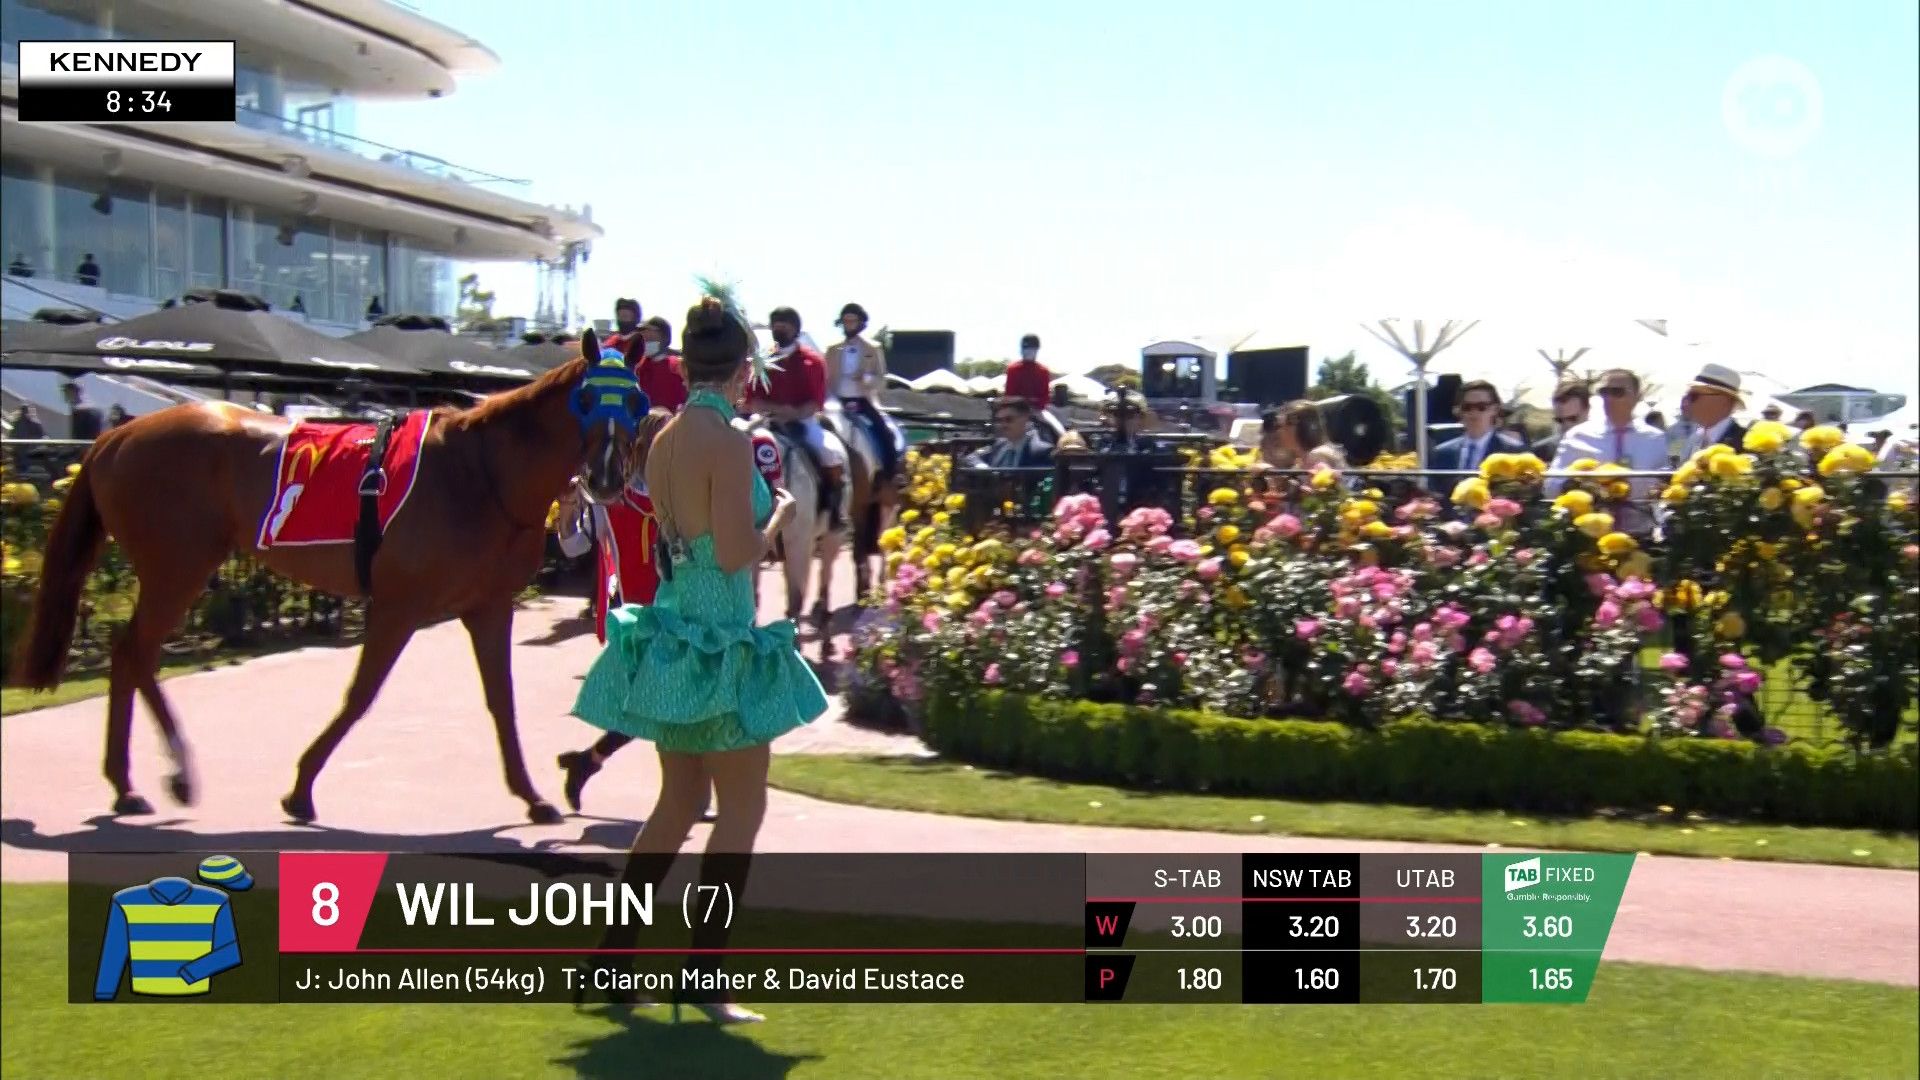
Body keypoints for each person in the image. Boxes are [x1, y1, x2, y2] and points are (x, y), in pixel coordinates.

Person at [571, 295, 827, 1023]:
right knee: (742, 810)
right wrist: (780, 516)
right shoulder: (730, 442)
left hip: (676, 633)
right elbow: (739, 552)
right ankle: (703, 973)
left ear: (688, 367)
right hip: (720, 639)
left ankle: (614, 959)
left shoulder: (663, 440)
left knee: (677, 804)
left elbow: (671, 540)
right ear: (744, 371)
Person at [750, 307, 846, 529]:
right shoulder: (762, 361)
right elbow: (752, 398)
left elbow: (814, 402)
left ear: (795, 329)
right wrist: (774, 410)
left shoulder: (812, 361)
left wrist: (792, 413)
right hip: (766, 421)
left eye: (784, 325)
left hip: (802, 421)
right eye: (776, 325)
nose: (779, 329)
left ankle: (833, 510)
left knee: (830, 453)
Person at [1546, 368, 1669, 535]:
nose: (1609, 398)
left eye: (1617, 392)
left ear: (1637, 396)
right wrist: (1581, 484)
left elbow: (1663, 486)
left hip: (1641, 533)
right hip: (1588, 536)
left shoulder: (1654, 439)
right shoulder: (1577, 436)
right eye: (1604, 392)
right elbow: (1551, 485)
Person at [822, 302, 903, 490]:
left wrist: (866, 378)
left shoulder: (872, 348)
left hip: (862, 400)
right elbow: (824, 378)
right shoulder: (832, 349)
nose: (849, 325)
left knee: (885, 432)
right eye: (846, 321)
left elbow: (881, 380)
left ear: (860, 323)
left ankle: (889, 476)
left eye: (853, 321)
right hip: (835, 402)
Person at [1426, 380, 1526, 491]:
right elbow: (1434, 492)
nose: (1474, 413)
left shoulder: (1513, 451)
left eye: (1481, 407)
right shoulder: (1442, 452)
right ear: (1458, 410)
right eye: (1467, 407)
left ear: (1495, 409)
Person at [1677, 363, 1748, 456]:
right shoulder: (1691, 439)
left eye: (1694, 396)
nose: (1685, 401)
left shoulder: (1746, 444)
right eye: (1686, 395)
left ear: (1724, 401)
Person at [968, 396, 1055, 468]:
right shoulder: (999, 445)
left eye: (1008, 419)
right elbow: (973, 457)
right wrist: (981, 466)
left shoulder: (1042, 451)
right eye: (999, 420)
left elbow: (1047, 481)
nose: (1003, 425)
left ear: (1025, 418)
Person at [632, 315, 687, 413]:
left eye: (650, 333)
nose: (646, 336)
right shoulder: (640, 368)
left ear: (665, 337)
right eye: (644, 335)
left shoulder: (677, 367)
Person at [1534, 380, 1591, 463]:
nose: (1565, 427)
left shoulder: (1608, 447)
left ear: (1588, 411)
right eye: (1559, 421)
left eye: (1572, 419)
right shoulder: (1541, 453)